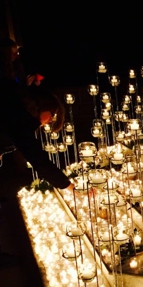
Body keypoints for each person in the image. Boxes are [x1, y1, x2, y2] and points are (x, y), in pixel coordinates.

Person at [0, 37, 73, 191]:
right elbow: (37, 158)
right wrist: (68, 186)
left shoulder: (16, 101)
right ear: (42, 105)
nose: (51, 120)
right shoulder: (18, 116)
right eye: (53, 114)